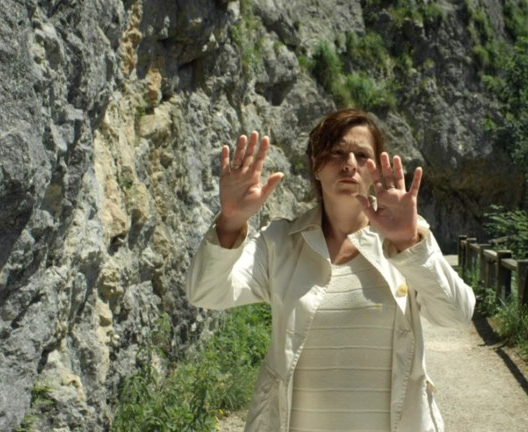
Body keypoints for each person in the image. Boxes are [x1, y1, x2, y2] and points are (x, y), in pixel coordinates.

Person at [186, 108, 475, 432]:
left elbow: (457, 314)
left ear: (376, 168)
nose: (349, 163)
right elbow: (205, 292)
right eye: (336, 152)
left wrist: (408, 242)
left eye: (362, 154)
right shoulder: (279, 243)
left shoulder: (407, 237)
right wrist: (231, 221)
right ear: (316, 165)